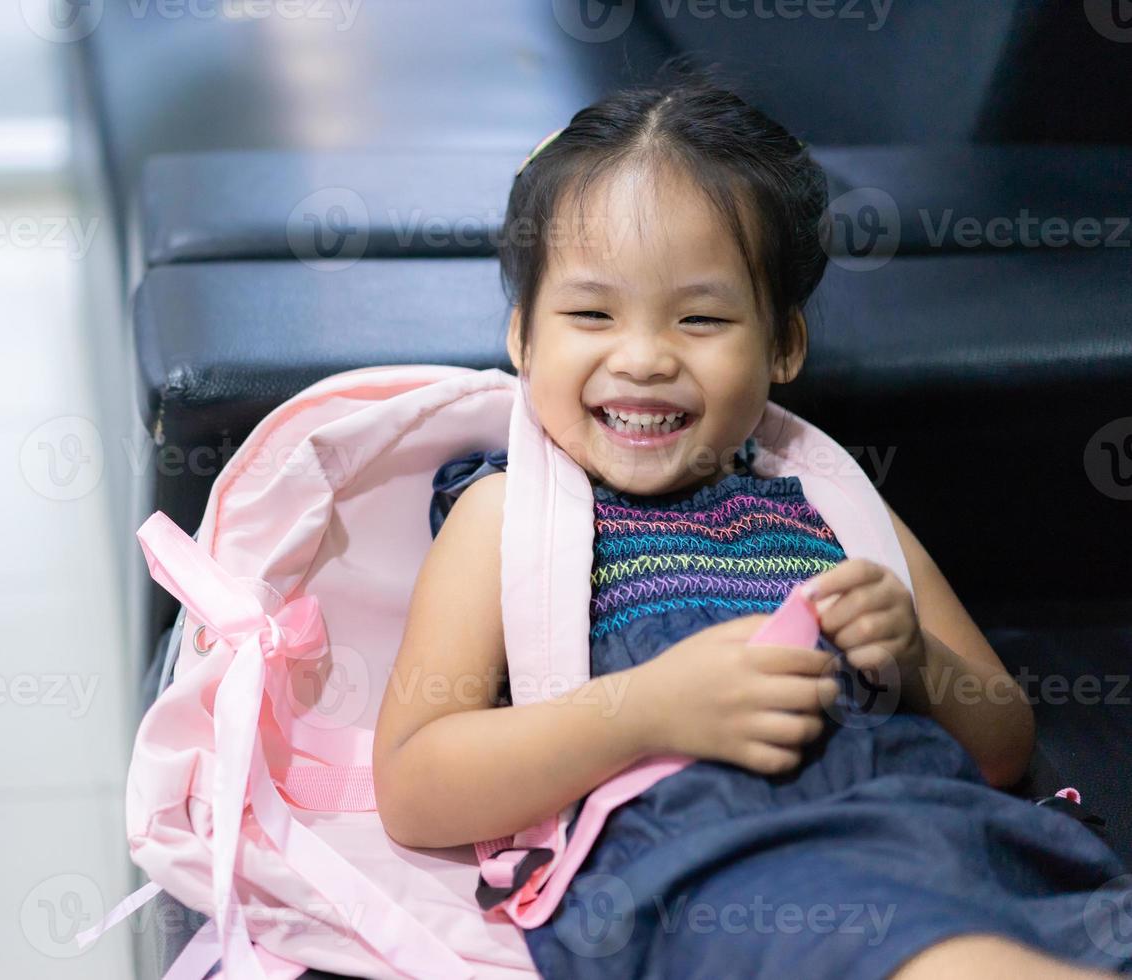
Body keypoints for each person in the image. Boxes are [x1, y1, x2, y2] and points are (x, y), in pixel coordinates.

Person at [372, 61, 1132, 979]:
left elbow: (1004, 747)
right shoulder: (505, 518)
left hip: (933, 828)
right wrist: (645, 709)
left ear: (782, 345)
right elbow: (416, 784)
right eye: (589, 313)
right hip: (711, 867)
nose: (644, 358)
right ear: (523, 337)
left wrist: (916, 660)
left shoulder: (834, 504)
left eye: (699, 318)